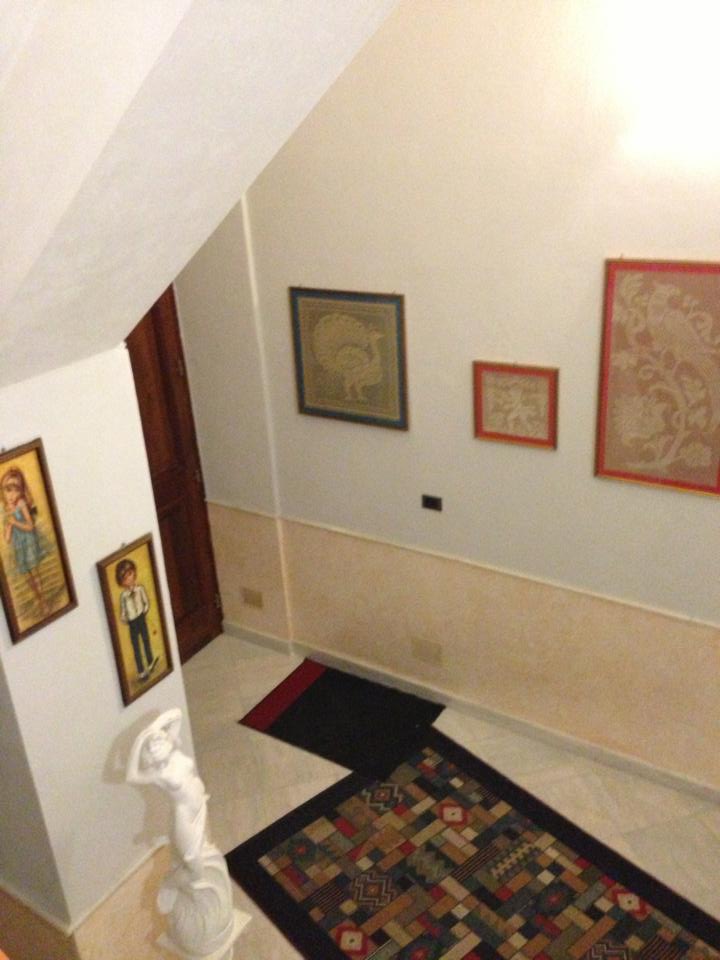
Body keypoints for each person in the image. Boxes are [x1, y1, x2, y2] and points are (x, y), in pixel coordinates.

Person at [126, 709, 210, 878]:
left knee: (203, 845)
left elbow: (177, 714)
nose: (157, 746)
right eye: (152, 747)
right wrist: (139, 742)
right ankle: (198, 884)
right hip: (185, 813)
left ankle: (205, 878)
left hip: (199, 802)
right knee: (189, 854)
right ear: (149, 755)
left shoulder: (175, 753)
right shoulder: (157, 774)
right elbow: (131, 776)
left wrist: (154, 729)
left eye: (159, 742)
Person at [1, 466, 48, 617]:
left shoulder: (21, 503)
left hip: (28, 542)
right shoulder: (6, 509)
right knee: (27, 575)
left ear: (21, 491)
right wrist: (9, 526)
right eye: (7, 490)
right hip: (19, 546)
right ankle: (39, 599)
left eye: (15, 490)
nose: (11, 494)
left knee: (34, 571)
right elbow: (7, 538)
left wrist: (15, 522)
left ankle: (43, 601)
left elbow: (30, 526)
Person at [116, 557, 158, 682]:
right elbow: (123, 611)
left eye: (130, 574)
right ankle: (141, 671)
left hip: (141, 618)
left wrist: (144, 612)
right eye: (125, 578)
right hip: (132, 622)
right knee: (136, 646)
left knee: (146, 640)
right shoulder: (123, 596)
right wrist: (125, 619)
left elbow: (146, 602)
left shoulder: (140, 589)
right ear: (122, 582)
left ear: (134, 573)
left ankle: (150, 662)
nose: (128, 579)